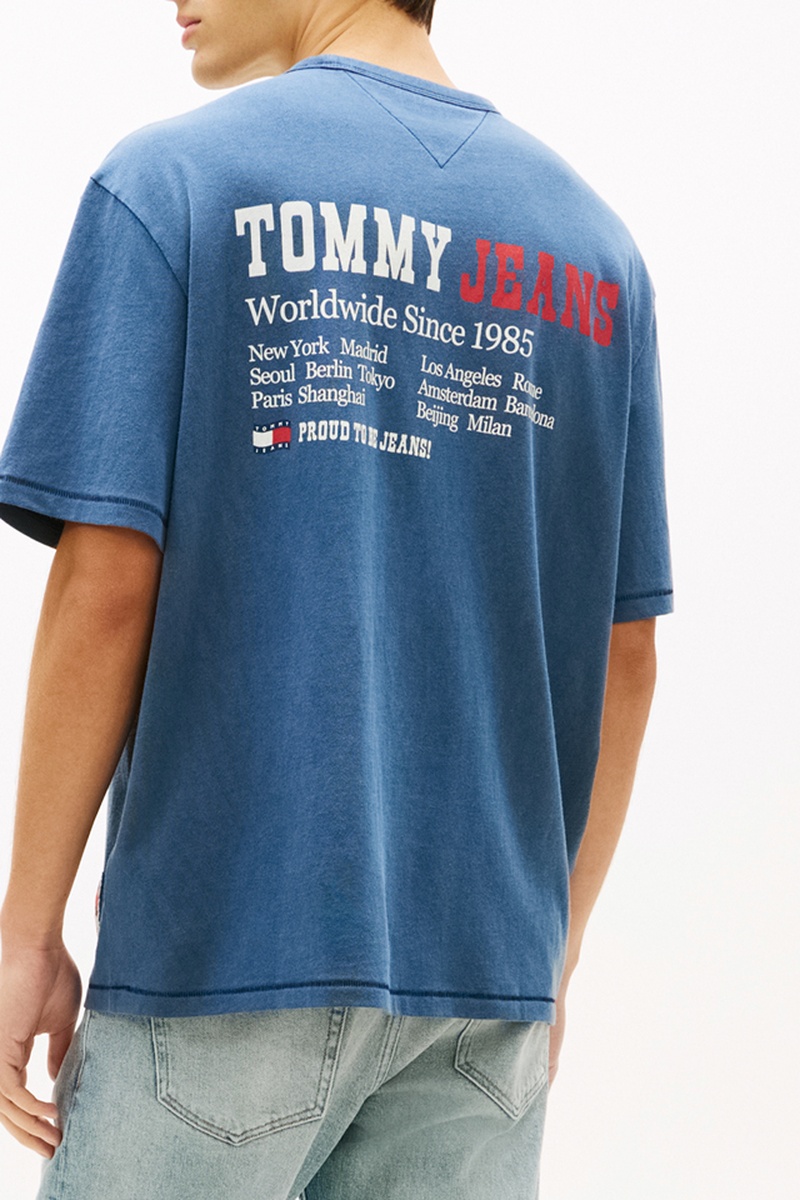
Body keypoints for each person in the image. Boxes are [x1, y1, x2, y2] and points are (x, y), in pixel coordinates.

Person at [0, 0, 673, 1196]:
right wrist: (551, 956)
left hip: (227, 954)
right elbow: (624, 652)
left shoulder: (177, 185)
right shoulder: (595, 253)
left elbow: (106, 583)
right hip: (485, 993)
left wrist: (23, 934)